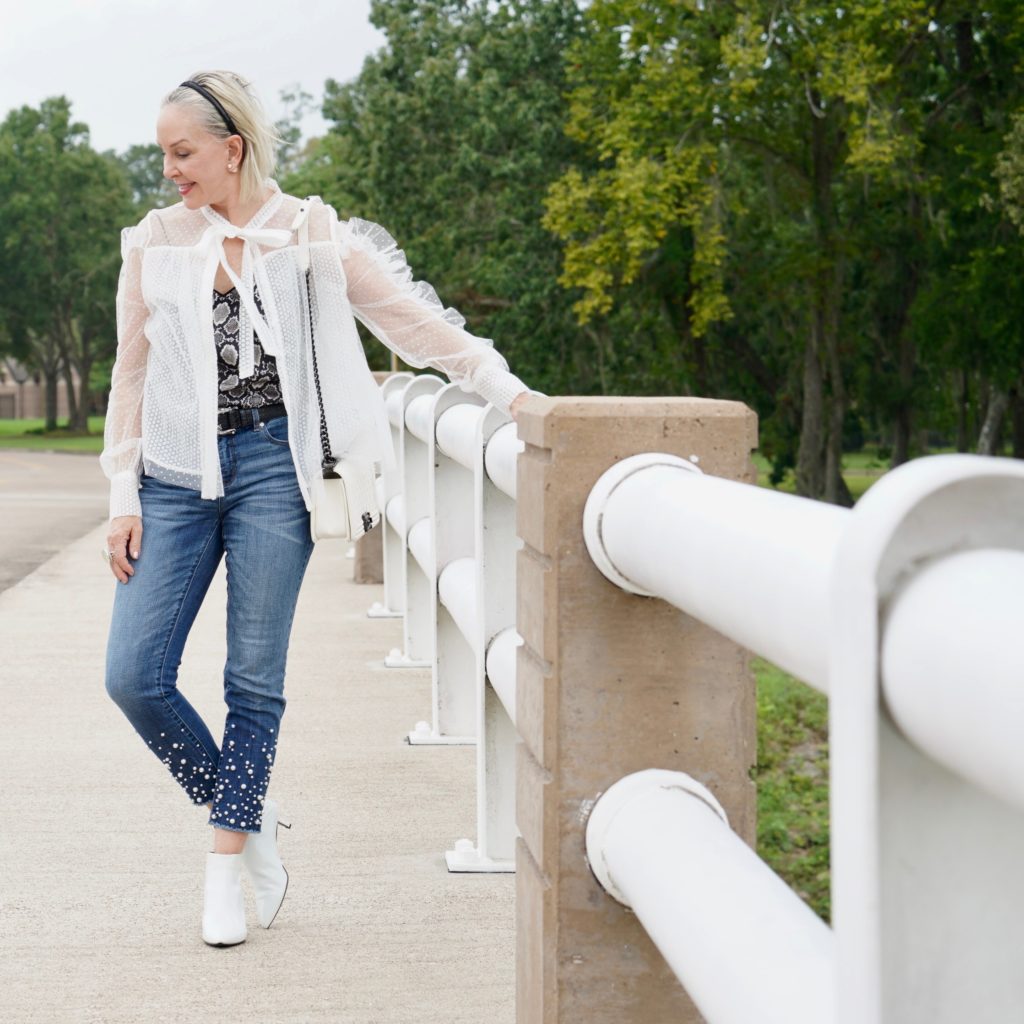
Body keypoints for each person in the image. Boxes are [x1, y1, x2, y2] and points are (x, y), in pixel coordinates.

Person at [100, 70, 531, 948]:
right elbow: (131, 373)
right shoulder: (155, 242)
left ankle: (226, 863)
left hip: (275, 470)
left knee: (252, 681)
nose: (171, 172)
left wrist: (510, 394)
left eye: (183, 154)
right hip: (176, 475)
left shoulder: (310, 236)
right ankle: (249, 818)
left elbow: (414, 327)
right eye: (164, 156)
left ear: (233, 148)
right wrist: (120, 492)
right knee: (133, 676)